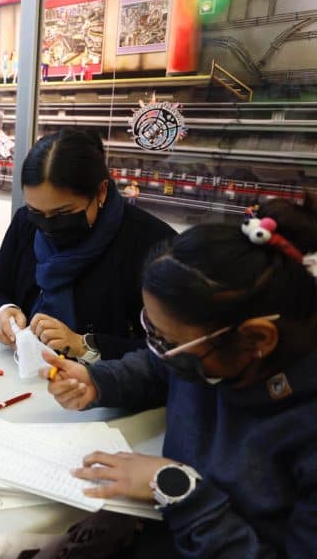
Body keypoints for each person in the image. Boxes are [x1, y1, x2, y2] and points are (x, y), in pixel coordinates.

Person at [42, 199, 317, 557]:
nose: (158, 348)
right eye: (151, 331)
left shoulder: (304, 427)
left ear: (257, 339)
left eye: (168, 341)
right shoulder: (212, 357)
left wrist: (177, 489)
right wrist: (97, 381)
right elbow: (158, 367)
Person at [0, 129, 175, 363]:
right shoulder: (26, 223)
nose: (48, 226)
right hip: (26, 372)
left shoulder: (152, 244)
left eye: (63, 213)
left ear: (101, 192)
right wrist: (3, 311)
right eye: (37, 212)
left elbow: (170, 350)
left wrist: (84, 346)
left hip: (103, 387)